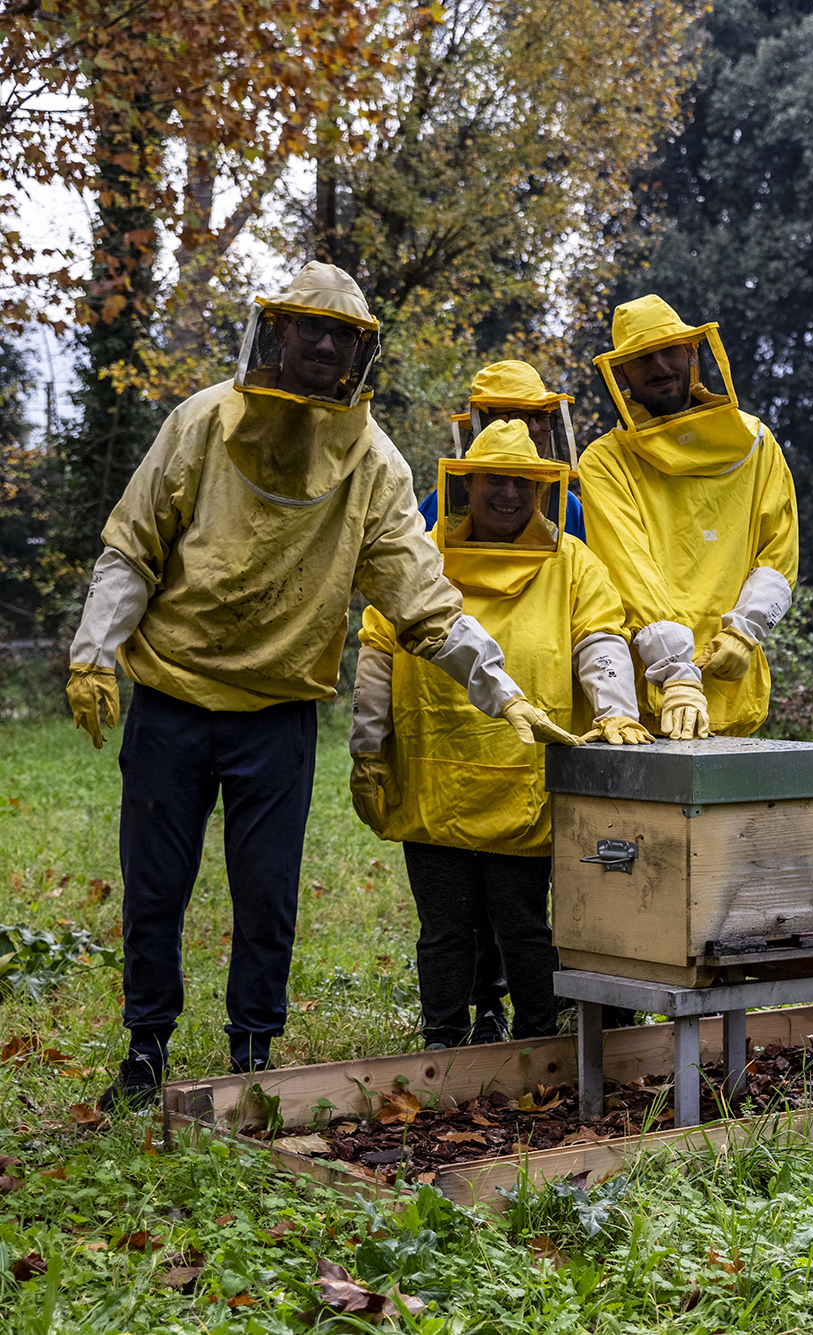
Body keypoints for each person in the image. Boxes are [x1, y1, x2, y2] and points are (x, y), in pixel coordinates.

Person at [65, 263, 583, 1110]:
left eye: (340, 333)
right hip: (171, 698)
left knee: (266, 890)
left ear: (359, 350)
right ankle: (145, 1046)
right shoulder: (200, 422)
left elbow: (421, 596)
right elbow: (132, 544)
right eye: (309, 326)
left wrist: (502, 689)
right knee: (155, 884)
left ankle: (254, 1054)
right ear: (275, 333)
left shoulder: (372, 462)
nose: (323, 343)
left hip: (277, 712)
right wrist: (95, 650)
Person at [349, 420, 650, 1049]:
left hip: (525, 781)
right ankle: (443, 1045)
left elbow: (600, 638)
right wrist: (368, 750)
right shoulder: (423, 555)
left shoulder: (572, 561)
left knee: (523, 926)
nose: (508, 495)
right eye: (495, 480)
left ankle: (537, 1044)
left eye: (522, 482)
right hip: (434, 776)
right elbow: (378, 648)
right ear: (467, 485)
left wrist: (616, 709)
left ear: (543, 491)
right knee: (444, 928)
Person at [579, 296, 798, 738]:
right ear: (620, 373)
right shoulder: (605, 461)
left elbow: (779, 551)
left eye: (670, 350)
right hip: (650, 697)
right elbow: (629, 570)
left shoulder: (756, 442)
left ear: (692, 353)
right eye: (642, 358)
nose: (660, 366)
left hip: (734, 683)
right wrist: (676, 670)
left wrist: (745, 632)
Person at [418, 360, 587, 542]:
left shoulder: (568, 506)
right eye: (519, 416)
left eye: (542, 417)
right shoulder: (446, 501)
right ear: (485, 423)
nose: (535, 428)